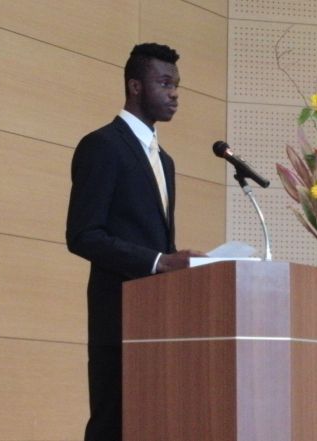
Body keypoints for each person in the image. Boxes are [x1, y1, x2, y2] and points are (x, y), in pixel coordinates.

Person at [66, 43, 203, 441]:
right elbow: (83, 235)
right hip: (118, 313)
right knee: (113, 424)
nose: (174, 94)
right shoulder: (103, 145)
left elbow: (154, 238)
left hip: (159, 316)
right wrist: (159, 261)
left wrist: (177, 265)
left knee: (151, 423)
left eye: (177, 85)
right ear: (135, 86)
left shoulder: (165, 160)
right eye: (164, 83)